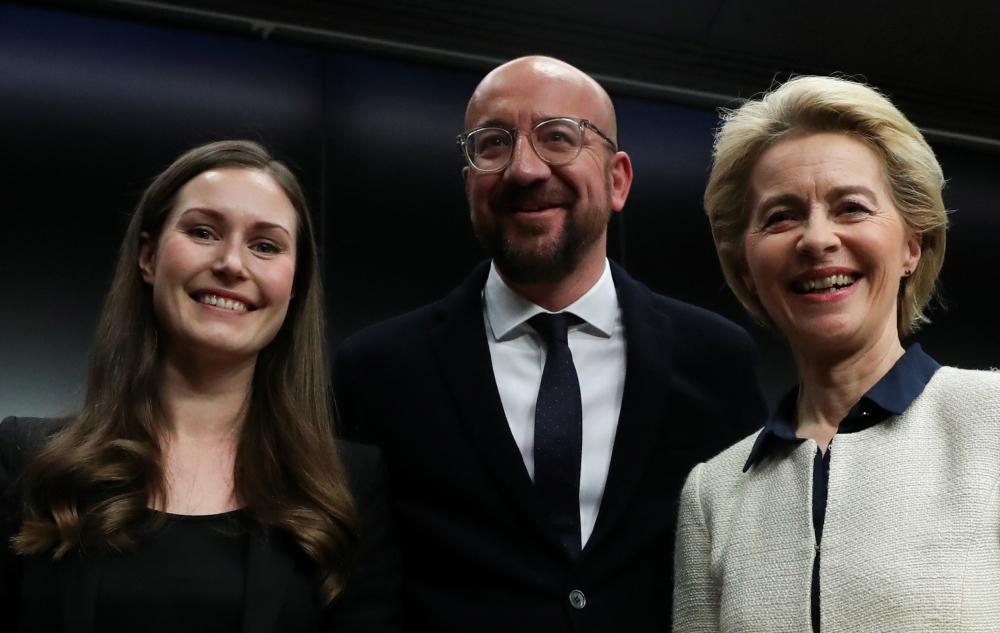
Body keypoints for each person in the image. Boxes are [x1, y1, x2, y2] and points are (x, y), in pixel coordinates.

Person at [332, 55, 768, 632]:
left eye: (558, 138)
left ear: (617, 181)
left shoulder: (717, 361)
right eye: (492, 144)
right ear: (469, 184)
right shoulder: (376, 373)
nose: (524, 169)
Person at [0, 140, 399, 632]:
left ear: (293, 287)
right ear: (148, 257)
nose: (233, 263)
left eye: (266, 246)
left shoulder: (347, 486)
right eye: (203, 232)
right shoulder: (27, 461)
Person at [673, 75, 1000, 632]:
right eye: (780, 217)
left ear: (911, 246)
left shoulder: (992, 420)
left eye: (851, 207)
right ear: (748, 269)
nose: (817, 239)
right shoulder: (713, 493)